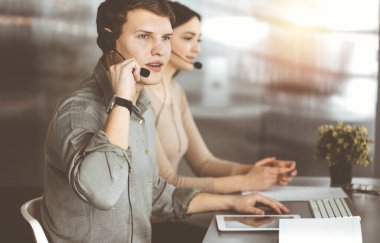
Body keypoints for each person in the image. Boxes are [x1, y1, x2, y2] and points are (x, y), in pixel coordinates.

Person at [40, 0, 288, 242]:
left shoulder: (141, 103)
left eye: (166, 38)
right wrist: (123, 101)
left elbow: (155, 193)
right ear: (108, 41)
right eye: (144, 36)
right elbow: (103, 194)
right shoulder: (79, 112)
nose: (160, 50)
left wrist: (234, 201)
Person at [145, 1, 297, 194]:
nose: (196, 49)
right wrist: (245, 182)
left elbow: (204, 163)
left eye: (198, 40)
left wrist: (259, 172)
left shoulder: (176, 92)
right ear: (164, 39)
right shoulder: (140, 96)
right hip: (153, 221)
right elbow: (167, 183)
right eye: (188, 38)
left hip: (172, 216)